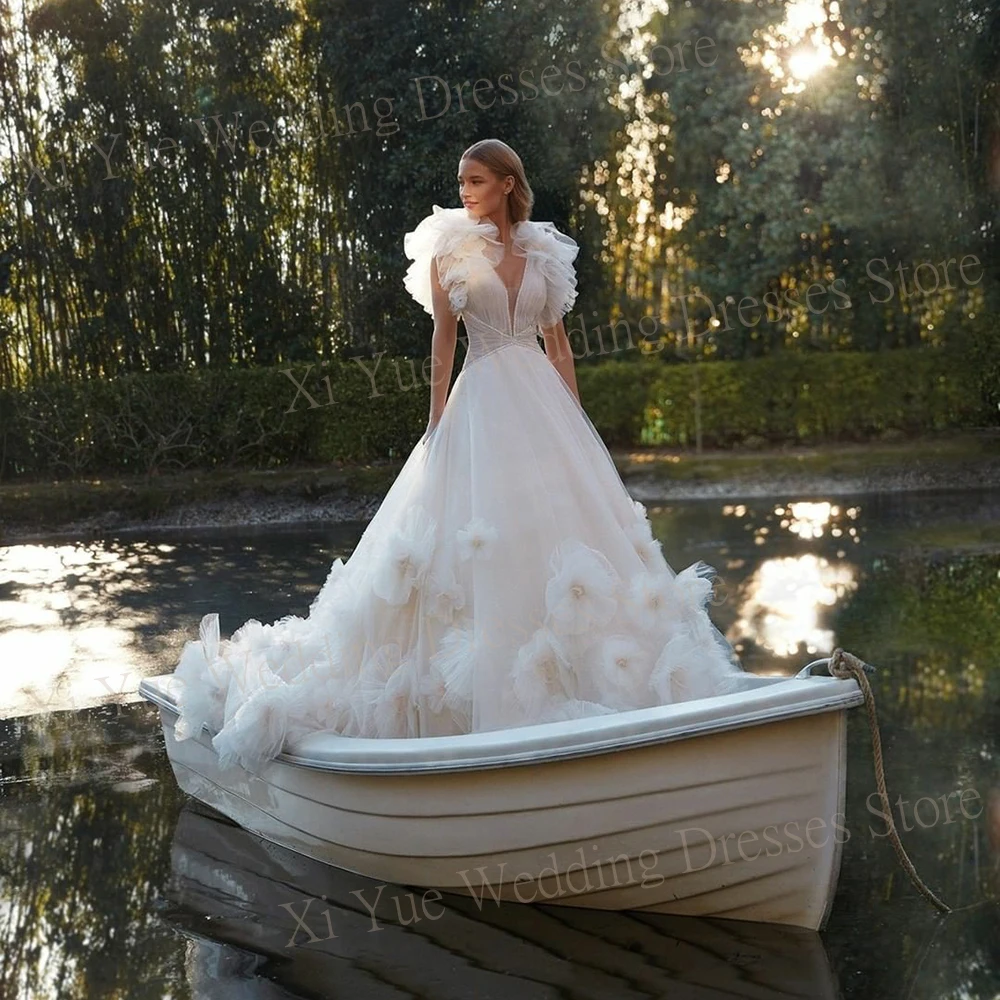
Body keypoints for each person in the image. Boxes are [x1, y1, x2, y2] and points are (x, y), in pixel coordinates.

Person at [171, 138, 745, 772]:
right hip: (480, 406)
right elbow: (443, 343)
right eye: (461, 180)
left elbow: (559, 347)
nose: (465, 190)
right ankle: (474, 718)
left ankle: (618, 700)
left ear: (506, 183)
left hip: (543, 407)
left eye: (476, 180)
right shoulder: (450, 249)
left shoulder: (544, 254)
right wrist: (437, 421)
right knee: (478, 540)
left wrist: (576, 422)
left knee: (566, 534)